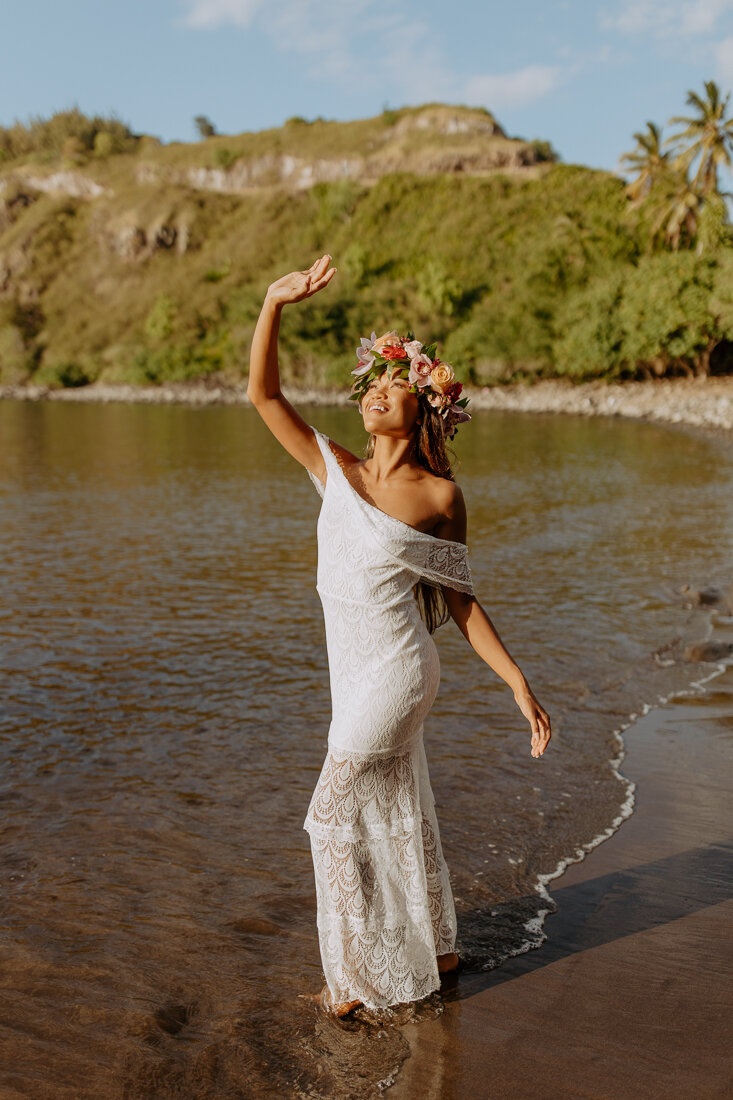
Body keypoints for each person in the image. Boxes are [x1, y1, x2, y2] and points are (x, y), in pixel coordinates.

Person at [247, 253, 551, 1017]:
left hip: (397, 674)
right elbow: (263, 394)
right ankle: (438, 946)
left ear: (425, 412)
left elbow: (460, 603)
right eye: (372, 386)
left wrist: (517, 685)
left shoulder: (439, 495)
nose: (377, 393)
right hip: (351, 674)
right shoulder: (335, 472)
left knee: (329, 816)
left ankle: (352, 980)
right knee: (394, 806)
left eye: (395, 387)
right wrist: (273, 303)